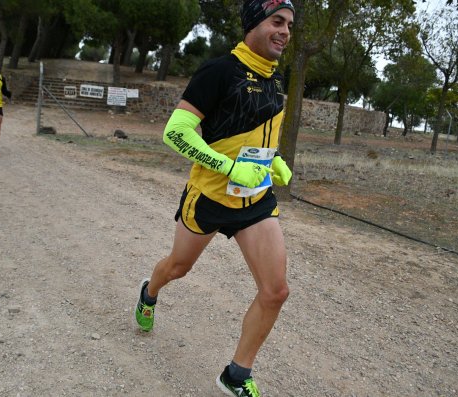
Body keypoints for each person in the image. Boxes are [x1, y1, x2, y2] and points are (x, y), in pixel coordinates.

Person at [134, 1, 295, 396]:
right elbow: (176, 132)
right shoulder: (219, 70)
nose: (286, 32)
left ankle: (235, 375)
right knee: (177, 268)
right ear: (254, 23)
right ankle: (149, 293)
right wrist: (227, 168)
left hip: (254, 199)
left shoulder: (276, 81)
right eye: (277, 21)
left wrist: (274, 161)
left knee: (276, 291)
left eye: (290, 24)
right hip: (208, 195)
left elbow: (251, 135)